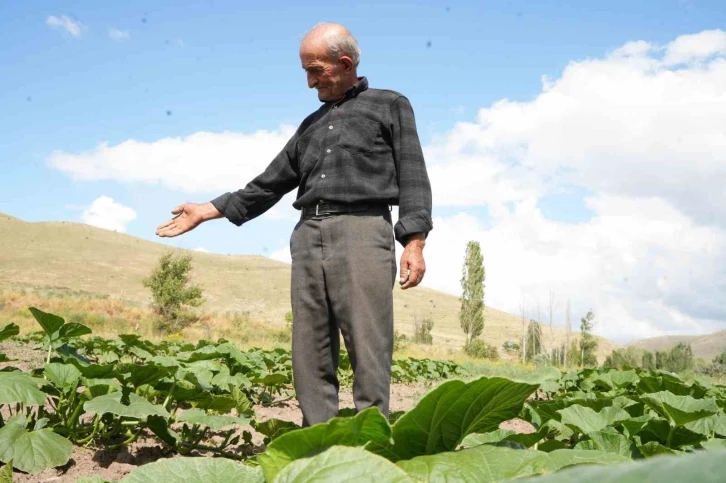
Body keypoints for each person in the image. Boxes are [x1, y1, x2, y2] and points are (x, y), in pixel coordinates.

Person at [155, 22, 433, 427]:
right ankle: (317, 442)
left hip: (362, 231)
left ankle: (370, 443)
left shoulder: (389, 105)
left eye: (315, 70)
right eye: (306, 70)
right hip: (306, 237)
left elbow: (413, 173)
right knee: (310, 346)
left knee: (368, 344)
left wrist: (415, 241)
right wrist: (208, 209)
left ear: (344, 63)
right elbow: (269, 183)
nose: (309, 81)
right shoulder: (311, 125)